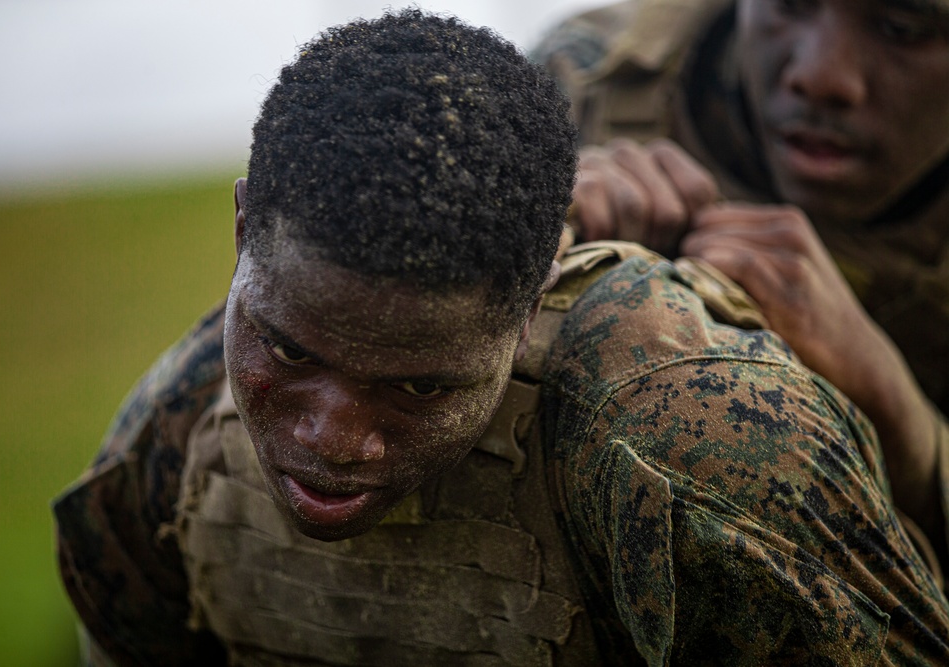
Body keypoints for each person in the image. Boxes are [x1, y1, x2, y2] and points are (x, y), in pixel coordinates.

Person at [53, 9, 949, 665]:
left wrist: (908, 429)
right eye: (291, 351)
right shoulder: (586, 87)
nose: (332, 437)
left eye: (907, 24)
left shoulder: (697, 448)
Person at [532, 0, 949, 577]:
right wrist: (539, 218)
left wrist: (902, 419)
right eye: (790, 5)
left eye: (900, 28)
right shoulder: (592, 77)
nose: (820, 76)